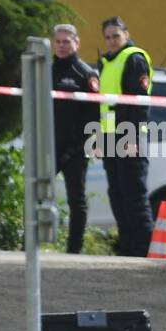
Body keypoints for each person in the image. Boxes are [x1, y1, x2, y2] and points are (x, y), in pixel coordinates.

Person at [98, 16, 155, 256]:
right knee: (117, 194)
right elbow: (105, 106)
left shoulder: (134, 59)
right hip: (111, 136)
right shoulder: (106, 62)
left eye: (116, 36)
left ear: (126, 34)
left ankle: (143, 250)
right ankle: (128, 246)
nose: (111, 41)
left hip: (130, 136)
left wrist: (131, 138)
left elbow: (139, 103)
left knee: (134, 196)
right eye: (108, 37)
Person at [51, 24, 100, 254]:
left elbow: (94, 116)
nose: (61, 46)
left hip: (75, 148)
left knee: (76, 200)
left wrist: (77, 147)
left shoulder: (85, 73)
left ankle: (74, 250)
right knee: (34, 194)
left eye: (66, 42)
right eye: (58, 41)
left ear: (76, 43)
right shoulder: (46, 71)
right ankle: (30, 244)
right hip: (49, 146)